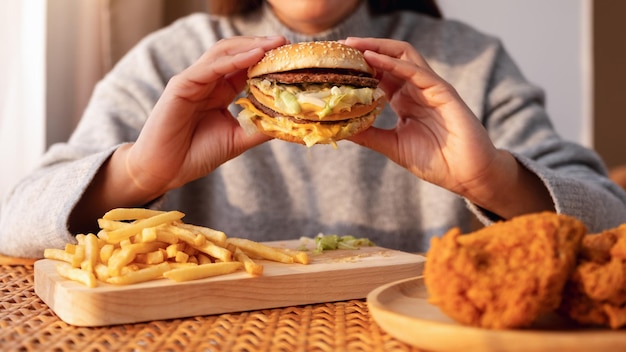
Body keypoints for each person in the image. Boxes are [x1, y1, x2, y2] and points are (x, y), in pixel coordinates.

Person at [1, 0, 625, 258]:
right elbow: (14, 218)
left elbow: (612, 219)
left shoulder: (469, 63)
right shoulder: (171, 62)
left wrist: (494, 179)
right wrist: (138, 172)